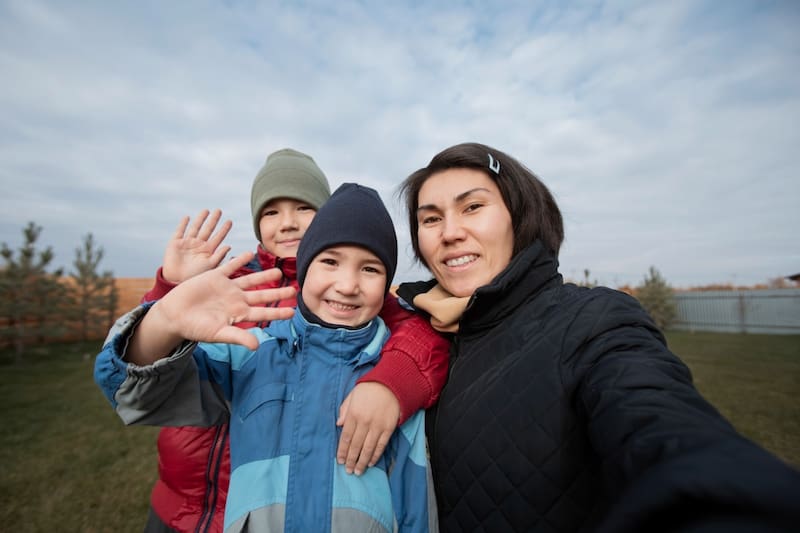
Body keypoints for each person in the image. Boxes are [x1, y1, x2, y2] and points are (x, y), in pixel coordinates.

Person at [392, 142, 800, 532]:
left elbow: (657, 421)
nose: (450, 232)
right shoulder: (419, 326)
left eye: (473, 207)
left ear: (520, 216)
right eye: (431, 219)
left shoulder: (592, 321)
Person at [136, 149, 449, 532]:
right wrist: (169, 292)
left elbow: (424, 339)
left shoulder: (351, 303)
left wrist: (392, 382)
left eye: (303, 207)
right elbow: (151, 371)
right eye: (271, 211)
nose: (287, 223)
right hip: (182, 499)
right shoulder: (226, 287)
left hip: (269, 505)